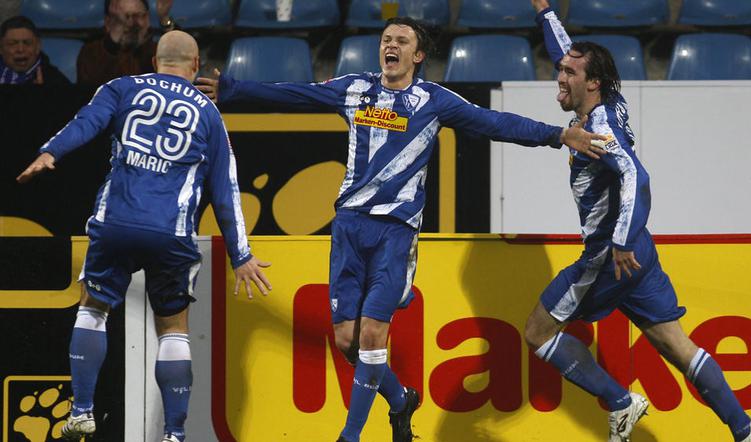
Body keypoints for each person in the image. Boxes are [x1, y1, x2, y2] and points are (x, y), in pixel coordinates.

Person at [196, 16, 607, 442]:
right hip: (349, 229)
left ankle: (349, 436)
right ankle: (399, 397)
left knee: (373, 335)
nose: (390, 46)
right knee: (346, 341)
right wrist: (232, 90)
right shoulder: (357, 89)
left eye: (401, 41)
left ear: (418, 55)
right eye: (386, 39)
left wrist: (558, 135)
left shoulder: (433, 100)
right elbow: (297, 95)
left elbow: (494, 122)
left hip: (395, 234)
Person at [523, 2, 751, 442]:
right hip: (640, 250)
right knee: (676, 344)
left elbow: (637, 175)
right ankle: (745, 428)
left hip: (610, 255)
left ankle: (621, 401)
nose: (559, 78)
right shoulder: (608, 99)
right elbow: (568, 49)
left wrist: (618, 241)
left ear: (592, 83)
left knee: (539, 333)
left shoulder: (599, 132)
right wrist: (544, 11)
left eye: (569, 74)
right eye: (560, 71)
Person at [17, 30, 272, 442]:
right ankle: (174, 434)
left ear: (154, 60)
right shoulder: (209, 114)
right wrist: (241, 255)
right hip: (170, 233)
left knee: (93, 308)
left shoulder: (121, 87)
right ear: (194, 67)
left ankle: (81, 410)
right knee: (172, 329)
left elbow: (87, 122)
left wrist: (51, 152)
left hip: (116, 223)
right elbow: (226, 191)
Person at [77, 0, 174, 86]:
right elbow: (89, 87)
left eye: (136, 16)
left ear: (147, 19)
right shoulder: (90, 52)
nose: (129, 23)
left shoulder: (156, 52)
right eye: (119, 18)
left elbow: (177, 67)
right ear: (107, 22)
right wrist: (112, 44)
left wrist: (164, 19)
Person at [0, 15, 70, 85]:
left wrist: (42, 93)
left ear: (38, 47)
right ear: (1, 48)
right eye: (12, 44)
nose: (20, 49)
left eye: (27, 43)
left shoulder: (54, 80)